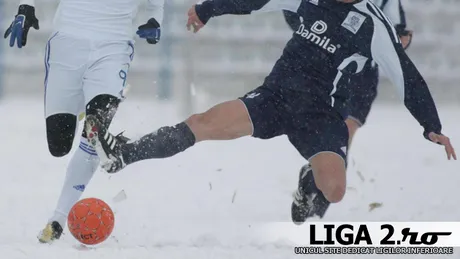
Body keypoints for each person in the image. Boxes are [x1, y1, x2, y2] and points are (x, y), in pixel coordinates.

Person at [85, 0, 456, 227]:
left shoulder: (373, 25)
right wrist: (207, 9)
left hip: (318, 114)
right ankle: (121, 153)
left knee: (335, 191)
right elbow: (254, 0)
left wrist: (431, 126)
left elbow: (407, 75)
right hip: (273, 98)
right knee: (203, 124)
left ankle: (305, 188)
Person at [4, 0, 164, 243]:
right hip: (68, 43)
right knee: (59, 146)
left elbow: (156, 3)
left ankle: (57, 219)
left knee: (96, 132)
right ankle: (86, 109)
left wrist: (155, 19)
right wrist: (26, 7)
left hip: (114, 45)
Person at [283, 0, 413, 223]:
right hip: (329, 66)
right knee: (331, 134)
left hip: (363, 75)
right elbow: (293, 12)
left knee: (345, 134)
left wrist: (399, 40)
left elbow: (398, 31)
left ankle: (317, 195)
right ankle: (317, 183)